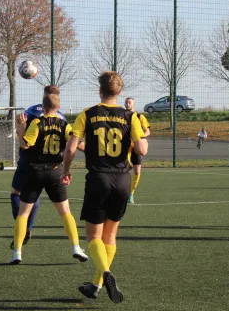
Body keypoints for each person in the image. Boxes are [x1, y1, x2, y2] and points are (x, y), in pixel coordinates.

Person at [63, 71, 148, 304]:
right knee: (110, 236)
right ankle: (97, 284)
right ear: (120, 92)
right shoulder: (130, 117)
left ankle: (107, 273)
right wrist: (139, 139)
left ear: (99, 89)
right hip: (122, 180)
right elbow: (142, 149)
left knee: (93, 237)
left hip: (99, 178)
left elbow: (70, 148)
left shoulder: (88, 114)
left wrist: (66, 170)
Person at [9, 93, 88, 264]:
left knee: (23, 214)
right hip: (55, 172)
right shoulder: (64, 125)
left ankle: (17, 252)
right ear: (58, 108)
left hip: (34, 172)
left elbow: (25, 144)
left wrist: (20, 126)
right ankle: (76, 247)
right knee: (66, 212)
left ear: (42, 108)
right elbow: (74, 143)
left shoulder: (37, 122)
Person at [9, 85, 65, 249]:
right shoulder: (61, 117)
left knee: (16, 192)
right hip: (53, 164)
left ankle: (23, 227)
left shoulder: (33, 110)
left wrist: (20, 127)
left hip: (28, 159)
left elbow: (22, 128)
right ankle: (30, 227)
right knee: (38, 196)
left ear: (44, 96)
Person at [124, 97, 150, 204]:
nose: (127, 104)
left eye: (129, 102)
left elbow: (147, 131)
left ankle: (131, 194)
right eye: (126, 102)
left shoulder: (139, 117)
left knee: (137, 171)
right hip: (124, 147)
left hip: (136, 147)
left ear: (133, 104)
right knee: (122, 171)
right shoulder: (121, 116)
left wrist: (139, 138)